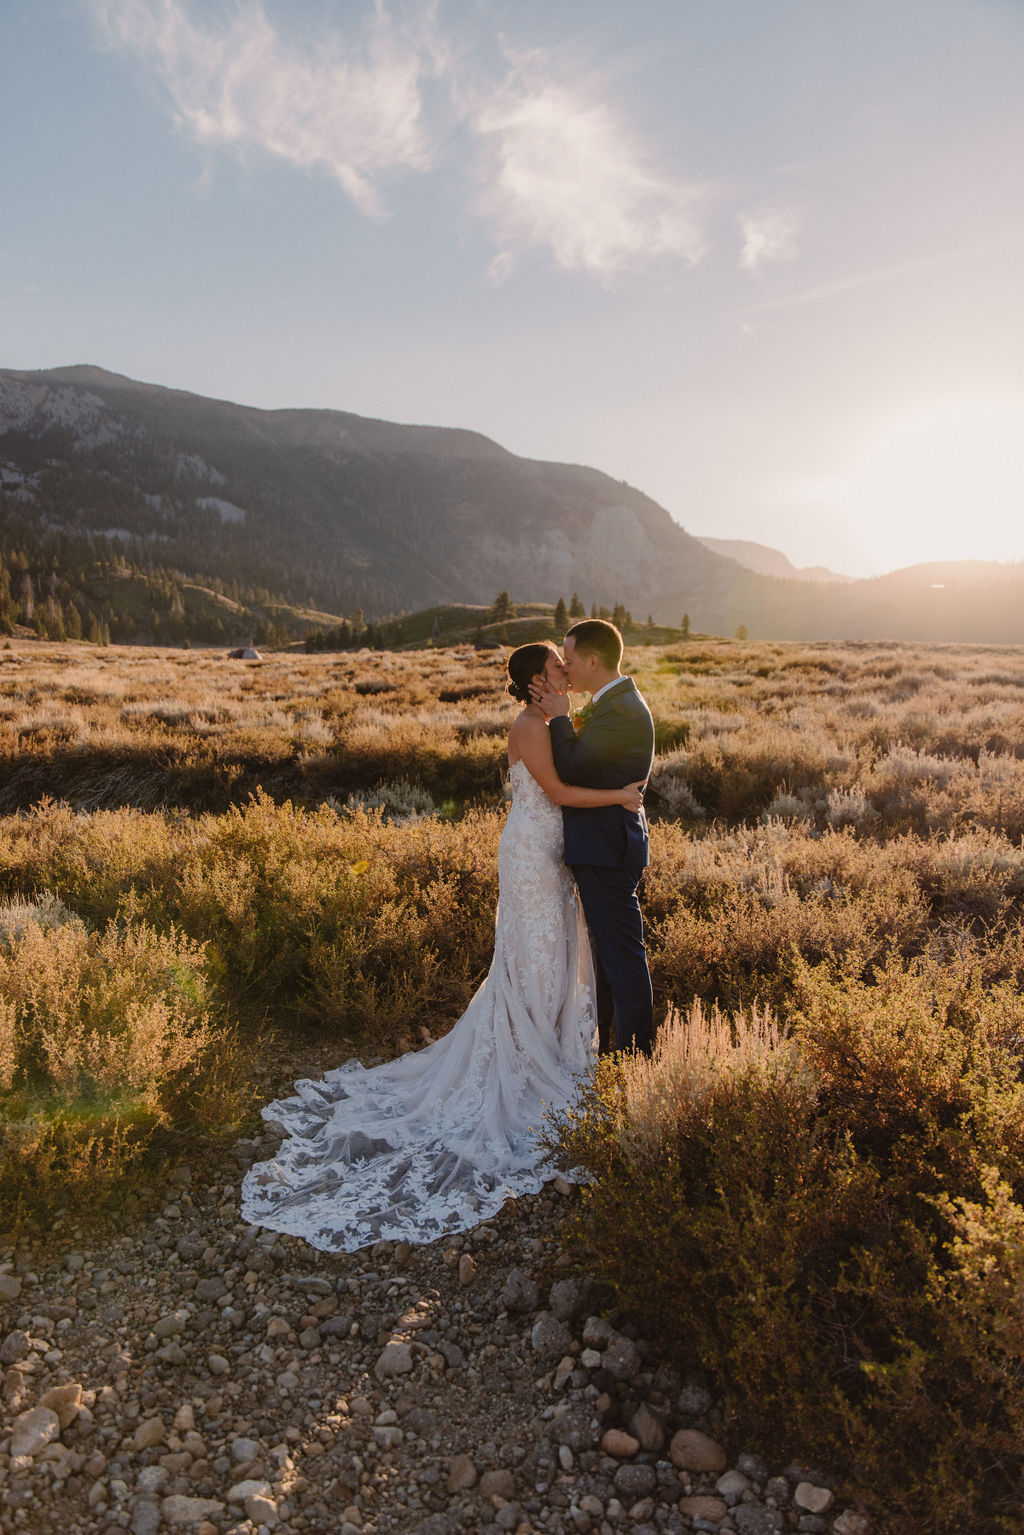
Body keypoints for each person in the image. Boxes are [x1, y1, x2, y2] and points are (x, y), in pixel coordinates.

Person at [240, 642, 645, 1253]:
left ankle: (557, 1047)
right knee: (531, 958)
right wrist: (619, 799)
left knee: (556, 956)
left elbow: (585, 763)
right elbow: (560, 796)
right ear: (539, 680)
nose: (567, 670)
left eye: (569, 662)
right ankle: (529, 1056)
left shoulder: (560, 720)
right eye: (558, 666)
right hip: (533, 856)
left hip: (556, 859)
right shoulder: (530, 727)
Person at [530, 619, 656, 1055]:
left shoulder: (620, 709)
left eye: (569, 659)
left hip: (607, 849)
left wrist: (561, 718)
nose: (565, 667)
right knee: (608, 958)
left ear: (593, 661)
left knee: (621, 959)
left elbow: (571, 769)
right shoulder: (612, 703)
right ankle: (611, 1054)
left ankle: (637, 1060)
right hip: (604, 845)